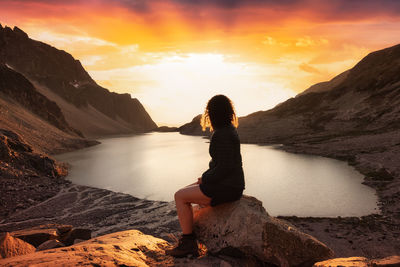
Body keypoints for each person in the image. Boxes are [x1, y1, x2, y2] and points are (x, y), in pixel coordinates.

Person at [165, 94, 245, 258]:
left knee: (179, 196)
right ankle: (189, 240)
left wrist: (206, 178)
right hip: (231, 185)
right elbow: (221, 165)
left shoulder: (222, 134)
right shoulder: (229, 130)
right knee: (185, 191)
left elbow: (224, 168)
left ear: (212, 113)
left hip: (227, 188)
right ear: (229, 112)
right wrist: (205, 177)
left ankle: (188, 243)